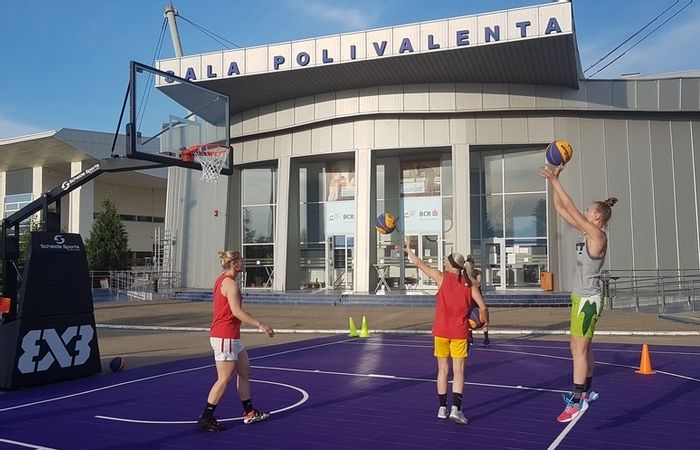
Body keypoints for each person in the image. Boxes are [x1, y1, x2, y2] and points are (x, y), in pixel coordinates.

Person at [539, 164, 617, 423]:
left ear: (598, 216)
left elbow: (571, 209)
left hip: (588, 300)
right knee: (579, 347)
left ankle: (576, 401)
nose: (585, 212)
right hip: (580, 297)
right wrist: (554, 181)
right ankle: (588, 390)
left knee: (578, 351)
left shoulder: (598, 236)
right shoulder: (588, 232)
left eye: (588, 211)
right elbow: (562, 210)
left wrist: (555, 180)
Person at [403, 238, 489, 425]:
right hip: (459, 333)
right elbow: (483, 307)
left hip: (441, 332)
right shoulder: (470, 285)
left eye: (446, 260)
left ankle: (442, 408)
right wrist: (484, 322)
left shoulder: (441, 278)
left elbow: (419, 264)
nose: (443, 262)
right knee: (458, 371)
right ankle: (456, 409)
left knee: (442, 370)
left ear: (451, 265)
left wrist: (409, 250)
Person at [197, 250, 275, 432]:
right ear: (234, 264)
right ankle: (206, 417)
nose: (243, 263)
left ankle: (249, 412)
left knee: (245, 371)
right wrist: (261, 325)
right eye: (241, 261)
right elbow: (236, 312)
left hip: (232, 336)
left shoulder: (222, 280)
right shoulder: (229, 284)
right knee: (224, 379)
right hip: (225, 336)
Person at [465, 255, 490, 347]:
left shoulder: (477, 272)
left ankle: (486, 338)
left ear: (473, 265)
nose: (468, 266)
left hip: (477, 297)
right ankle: (470, 338)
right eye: (467, 264)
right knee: (469, 316)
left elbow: (478, 284)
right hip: (469, 298)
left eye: (470, 264)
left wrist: (469, 276)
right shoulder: (464, 273)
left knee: (482, 316)